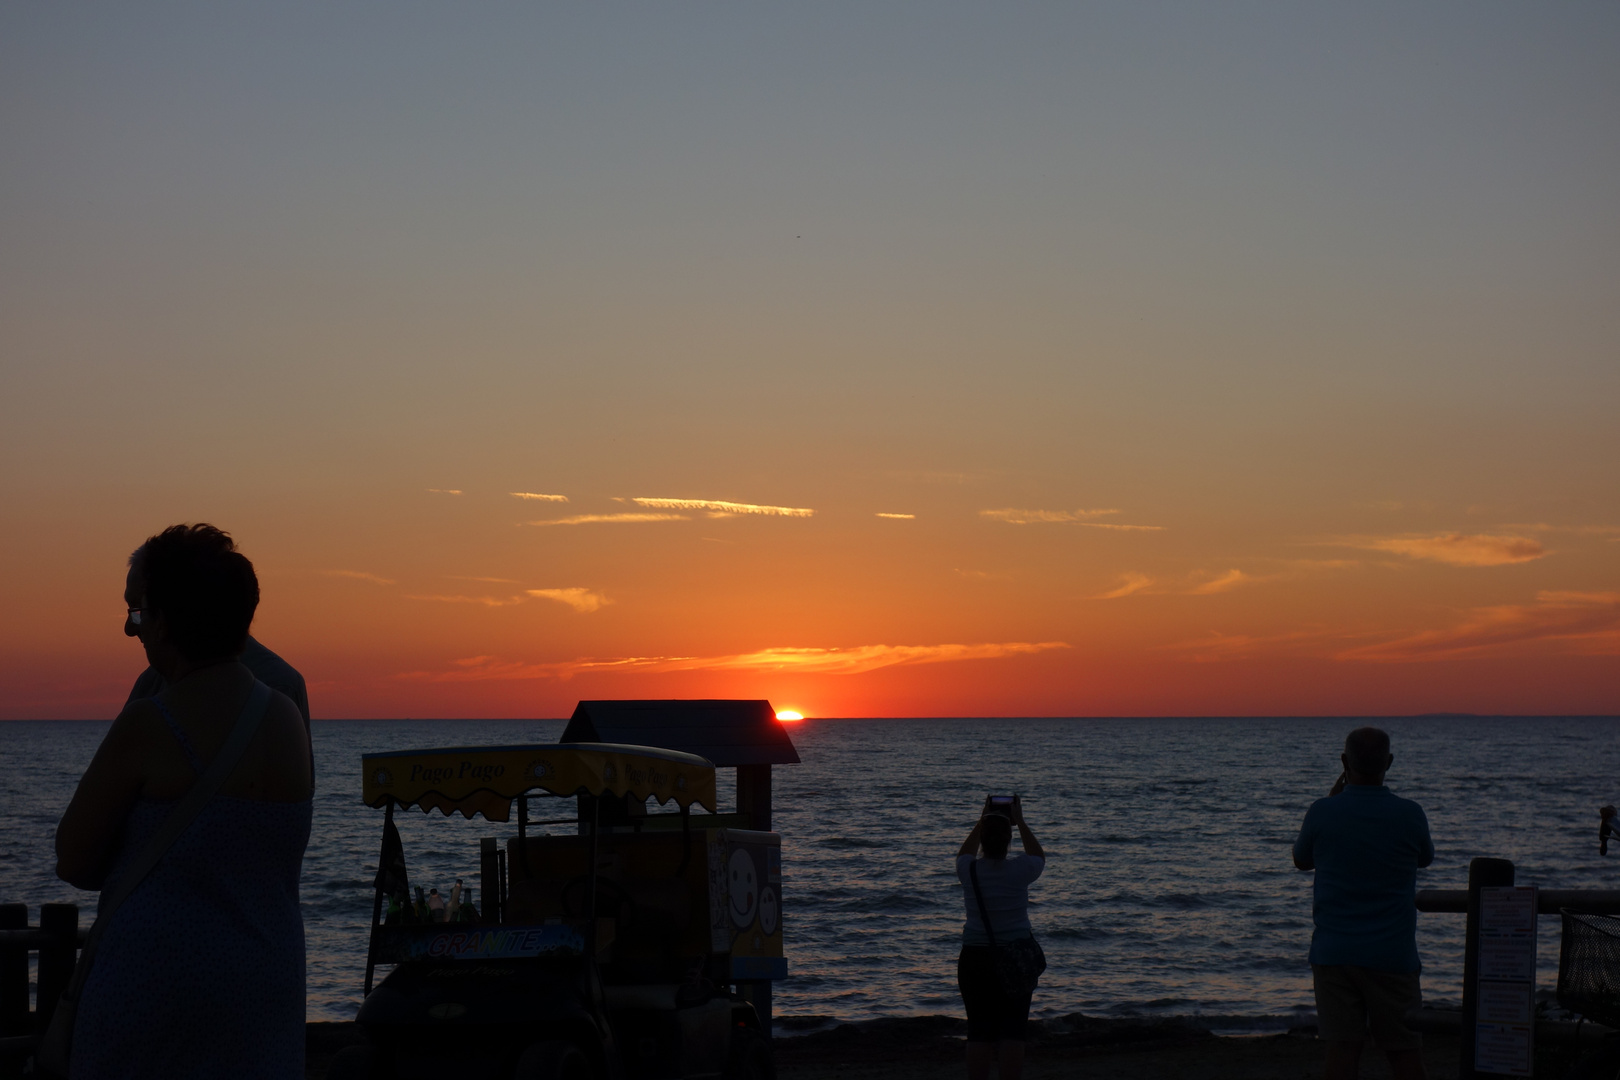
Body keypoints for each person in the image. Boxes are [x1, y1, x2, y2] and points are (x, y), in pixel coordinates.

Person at [56, 524, 313, 1078]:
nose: (134, 631)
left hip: (158, 1004)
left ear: (167, 619)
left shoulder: (151, 722)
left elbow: (73, 858)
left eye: (140, 614)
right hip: (267, 991)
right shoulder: (285, 715)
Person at [1293, 727, 1434, 1080]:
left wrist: (1333, 796)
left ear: (1344, 762)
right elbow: (1425, 858)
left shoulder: (1322, 812)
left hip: (1334, 953)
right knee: (1405, 1053)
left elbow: (1301, 859)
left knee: (1341, 1052)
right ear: (1389, 762)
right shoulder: (1410, 813)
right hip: (1392, 954)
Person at [955, 795, 1045, 1080]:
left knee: (978, 1031)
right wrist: (1021, 822)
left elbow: (963, 853)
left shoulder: (969, 870)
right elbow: (1038, 855)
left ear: (983, 839)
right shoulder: (1020, 870)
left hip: (974, 958)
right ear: (1008, 841)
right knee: (1013, 1031)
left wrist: (982, 820)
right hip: (1015, 957)